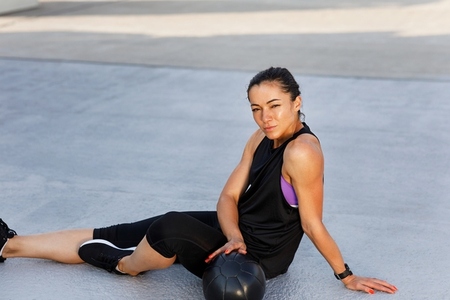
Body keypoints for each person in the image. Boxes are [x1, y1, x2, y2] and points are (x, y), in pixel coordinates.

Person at [1, 67, 397, 295]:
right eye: (256, 109)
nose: (265, 117)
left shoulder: (302, 152)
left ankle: (124, 266)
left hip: (260, 256)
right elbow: (228, 196)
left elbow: (312, 223)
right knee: (128, 227)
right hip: (237, 233)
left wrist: (346, 275)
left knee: (169, 226)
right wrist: (233, 234)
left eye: (275, 106)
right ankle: (9, 246)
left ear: (297, 101)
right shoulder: (262, 136)